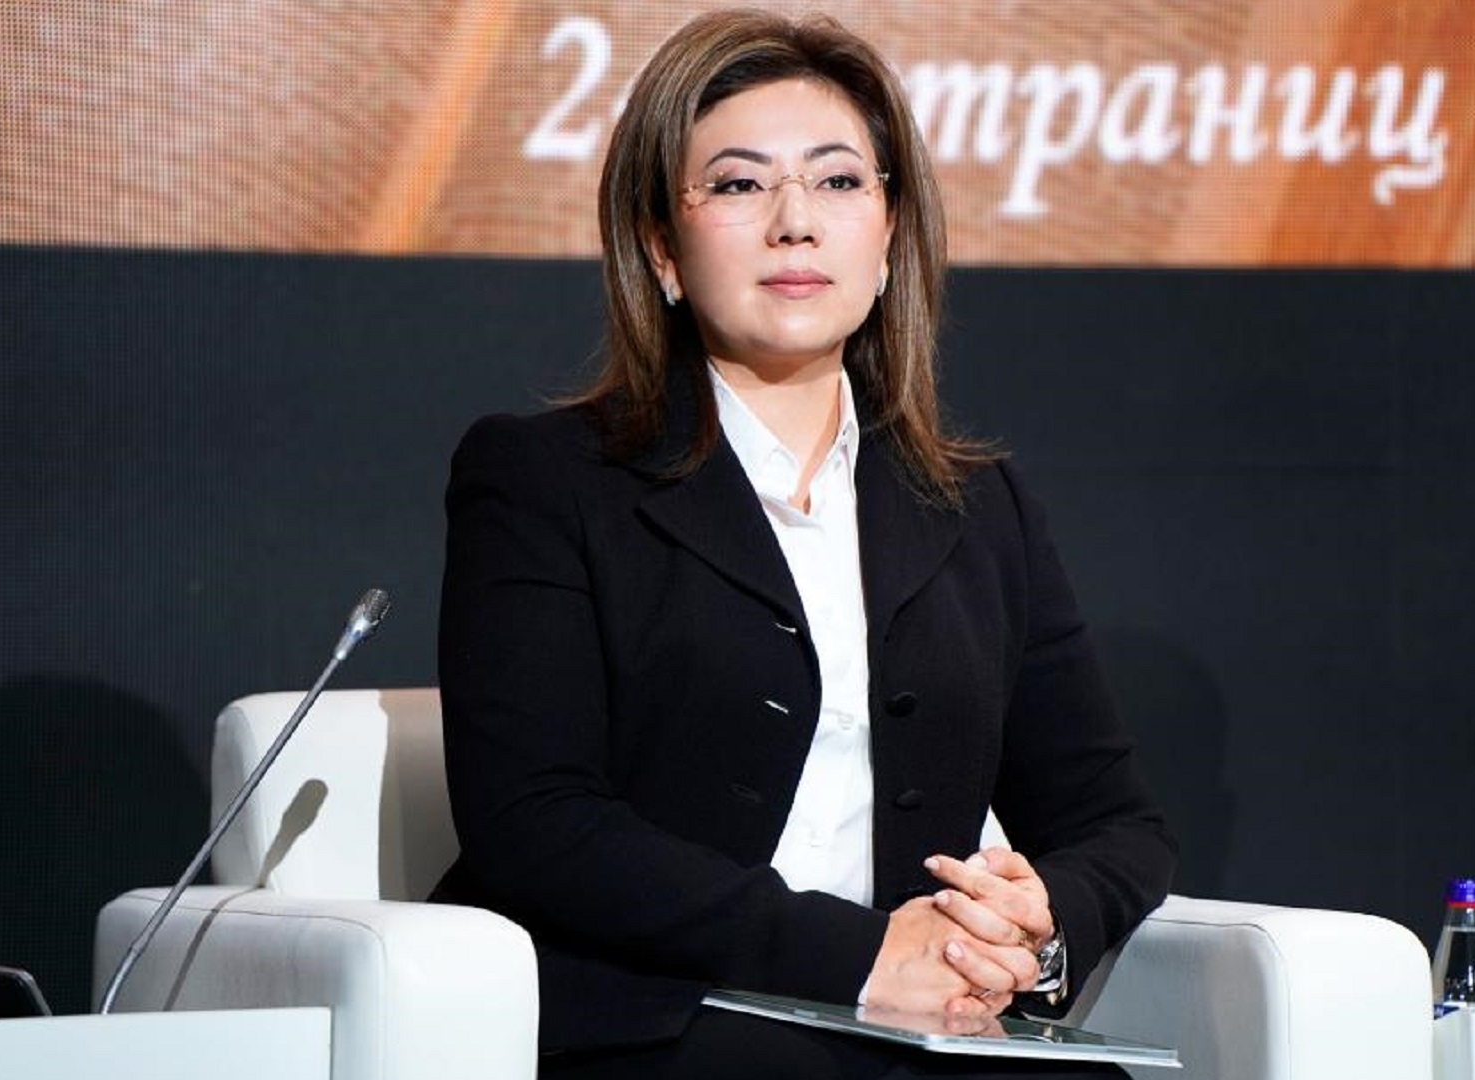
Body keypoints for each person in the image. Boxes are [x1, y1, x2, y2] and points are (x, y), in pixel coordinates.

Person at [431, 9, 1177, 1076]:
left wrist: (1038, 921)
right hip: (657, 1017)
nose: (796, 223)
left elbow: (1116, 824)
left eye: (837, 181)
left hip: (916, 1025)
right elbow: (535, 822)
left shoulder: (978, 506)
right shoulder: (546, 478)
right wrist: (860, 957)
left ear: (889, 236)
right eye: (739, 184)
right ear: (663, 247)